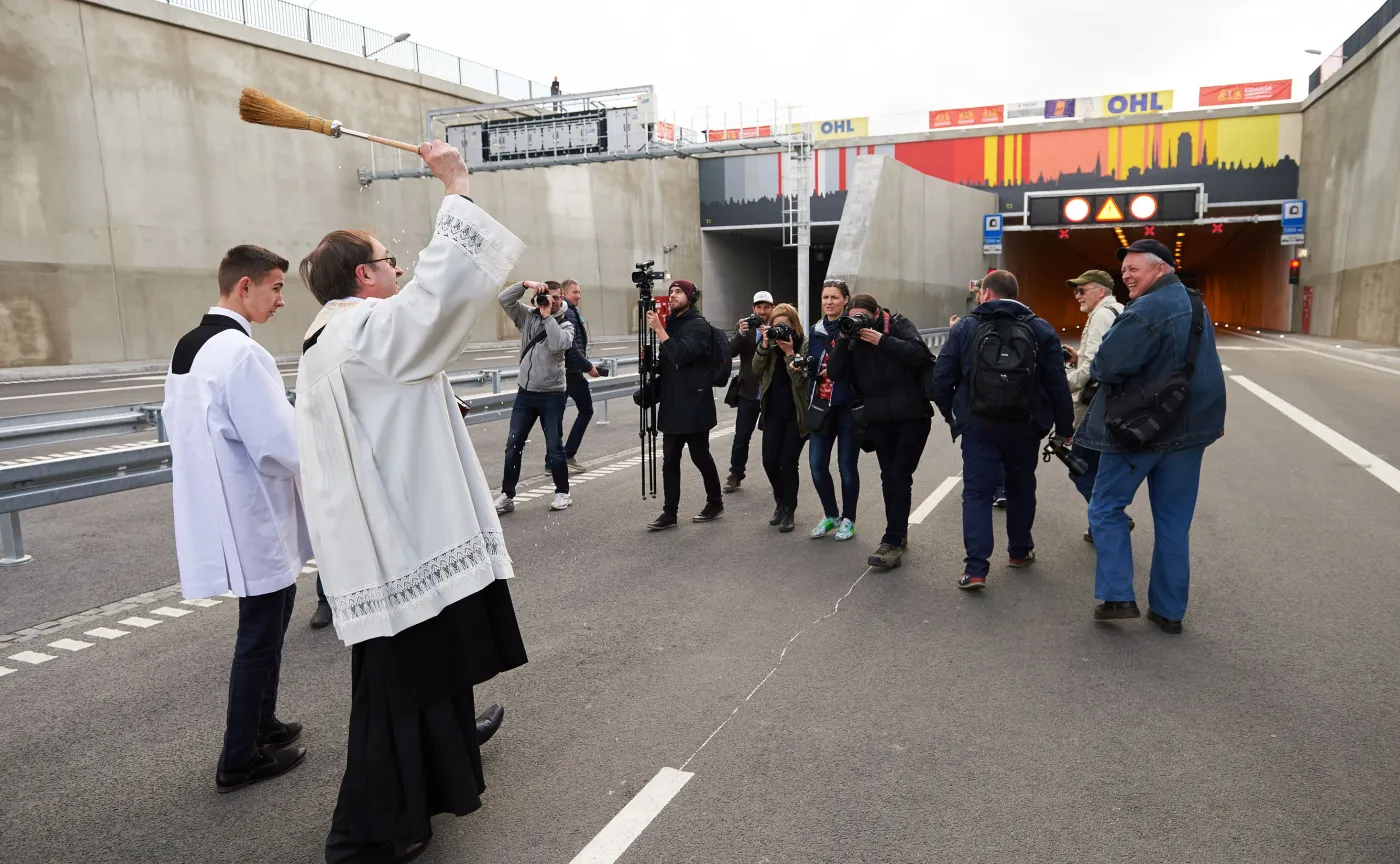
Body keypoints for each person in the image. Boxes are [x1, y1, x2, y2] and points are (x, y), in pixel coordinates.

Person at [295, 141, 528, 863]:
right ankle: (371, 831)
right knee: (395, 685)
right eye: (388, 259)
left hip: (397, 530)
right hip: (398, 536)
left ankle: (449, 751)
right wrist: (455, 186)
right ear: (364, 276)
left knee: (428, 662)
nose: (398, 267)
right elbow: (435, 300)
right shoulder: (361, 329)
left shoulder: (337, 335)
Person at [162, 245, 312, 792]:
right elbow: (279, 444)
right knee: (260, 628)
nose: (281, 299)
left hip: (219, 501)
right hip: (250, 510)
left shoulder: (190, 345)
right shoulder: (242, 353)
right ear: (244, 287)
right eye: (275, 286)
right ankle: (238, 757)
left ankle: (262, 723)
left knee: (272, 615)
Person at [1077, 239, 1226, 634]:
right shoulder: (1195, 304)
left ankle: (1117, 596)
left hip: (1139, 431)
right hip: (1189, 432)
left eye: (1134, 270)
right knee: (1174, 523)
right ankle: (1169, 611)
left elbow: (1107, 366)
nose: (1127, 276)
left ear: (1161, 268)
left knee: (1106, 507)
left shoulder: (1147, 309)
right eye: (1124, 271)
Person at [932, 270, 1075, 590]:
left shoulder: (966, 328)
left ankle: (976, 569)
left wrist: (955, 417)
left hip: (979, 426)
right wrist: (1063, 428)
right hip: (1024, 426)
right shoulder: (1040, 329)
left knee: (977, 494)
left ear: (985, 293)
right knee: (1021, 488)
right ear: (1016, 293)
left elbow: (941, 379)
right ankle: (1019, 551)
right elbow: (1057, 385)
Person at [827, 293, 933, 569]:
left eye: (864, 316)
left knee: (899, 475)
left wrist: (883, 341)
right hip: (879, 420)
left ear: (876, 315)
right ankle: (898, 531)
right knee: (890, 477)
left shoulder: (897, 325)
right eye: (855, 317)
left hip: (913, 416)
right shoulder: (851, 337)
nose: (860, 322)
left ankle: (892, 541)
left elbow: (921, 355)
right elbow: (835, 372)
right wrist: (844, 338)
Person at [645, 279, 725, 530]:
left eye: (679, 292)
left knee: (699, 455)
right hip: (672, 401)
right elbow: (668, 361)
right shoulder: (672, 323)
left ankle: (715, 502)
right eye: (671, 292)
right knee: (670, 460)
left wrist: (659, 330)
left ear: (691, 297)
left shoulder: (699, 326)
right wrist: (651, 363)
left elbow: (680, 356)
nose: (672, 295)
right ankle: (670, 512)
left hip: (694, 402)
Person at [495, 279, 575, 513]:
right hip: (526, 393)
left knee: (554, 447)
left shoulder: (566, 323)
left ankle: (563, 492)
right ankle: (507, 496)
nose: (551, 301)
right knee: (513, 445)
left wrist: (548, 315)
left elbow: (559, 344)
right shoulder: (527, 316)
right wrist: (525, 283)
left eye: (556, 298)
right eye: (546, 296)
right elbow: (503, 299)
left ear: (562, 299)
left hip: (552, 395)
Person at [1062, 270, 1129, 541]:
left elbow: (1092, 369)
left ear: (1101, 291)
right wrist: (1077, 357)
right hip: (1115, 402)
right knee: (1101, 469)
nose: (1077, 295)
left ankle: (1111, 518)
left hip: (1095, 406)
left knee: (1080, 467)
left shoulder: (1101, 315)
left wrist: (1062, 384)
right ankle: (1099, 524)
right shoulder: (1119, 310)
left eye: (1082, 289)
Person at [805, 279, 860, 541]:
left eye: (835, 297)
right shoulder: (815, 330)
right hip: (821, 406)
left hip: (847, 406)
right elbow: (812, 364)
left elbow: (862, 368)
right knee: (816, 466)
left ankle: (848, 519)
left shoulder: (854, 328)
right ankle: (831, 515)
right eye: (825, 297)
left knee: (846, 467)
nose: (829, 302)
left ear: (846, 300)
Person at [752, 303, 808, 533]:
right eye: (776, 326)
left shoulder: (804, 343)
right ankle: (780, 502)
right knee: (769, 461)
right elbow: (756, 370)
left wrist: (789, 353)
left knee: (787, 462)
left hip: (796, 414)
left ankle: (789, 510)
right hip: (772, 412)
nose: (780, 330)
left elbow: (802, 382)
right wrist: (765, 343)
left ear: (793, 324)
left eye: (784, 325)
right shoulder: (769, 343)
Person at [724, 291, 775, 493]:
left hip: (771, 391)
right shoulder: (744, 326)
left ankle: (776, 473)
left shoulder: (778, 326)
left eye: (766, 307)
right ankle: (736, 473)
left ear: (772, 308)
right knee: (742, 435)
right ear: (753, 308)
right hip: (749, 391)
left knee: (772, 435)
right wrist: (741, 333)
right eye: (759, 307)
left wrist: (770, 333)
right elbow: (730, 351)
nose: (762, 312)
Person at [560, 278, 601, 474]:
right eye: (575, 292)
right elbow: (571, 347)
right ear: (564, 293)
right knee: (586, 410)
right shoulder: (568, 312)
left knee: (555, 417)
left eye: (579, 292)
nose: (579, 295)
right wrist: (588, 367)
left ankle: (552, 462)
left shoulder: (568, 311)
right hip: (572, 372)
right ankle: (567, 455)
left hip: (566, 372)